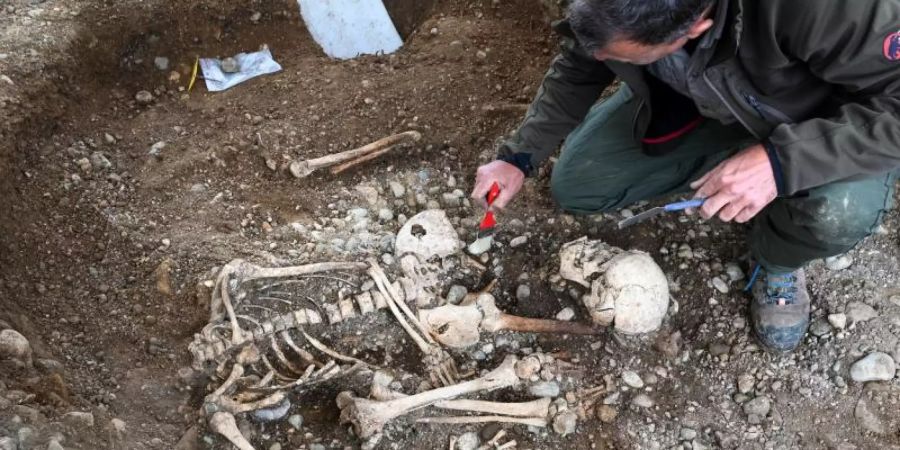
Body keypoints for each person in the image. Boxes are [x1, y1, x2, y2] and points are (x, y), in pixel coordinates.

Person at [470, 0, 900, 352]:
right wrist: (519, 156)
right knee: (580, 186)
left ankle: (778, 258)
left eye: (619, 56)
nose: (602, 58)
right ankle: (733, 160)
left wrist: (780, 161)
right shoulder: (616, 16)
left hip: (821, 121)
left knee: (836, 214)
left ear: (693, 29)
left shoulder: (827, 10)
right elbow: (582, 61)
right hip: (703, 99)